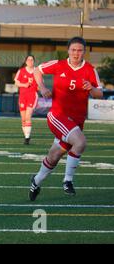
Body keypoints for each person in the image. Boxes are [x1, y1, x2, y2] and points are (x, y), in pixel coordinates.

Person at [29, 37, 103, 201]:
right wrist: (42, 87)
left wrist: (91, 88)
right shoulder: (59, 64)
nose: (76, 53)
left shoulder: (90, 70)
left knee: (54, 156)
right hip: (58, 115)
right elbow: (37, 71)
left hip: (77, 120)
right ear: (68, 50)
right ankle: (68, 181)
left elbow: (99, 93)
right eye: (73, 50)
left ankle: (36, 180)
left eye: (80, 50)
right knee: (81, 142)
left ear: (84, 52)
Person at [14, 55, 38, 145]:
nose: (30, 61)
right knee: (23, 119)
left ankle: (27, 138)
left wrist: (40, 88)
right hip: (22, 96)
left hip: (32, 96)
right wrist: (24, 85)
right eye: (28, 60)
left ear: (34, 61)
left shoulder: (37, 71)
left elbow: (40, 83)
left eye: (32, 60)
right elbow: (16, 82)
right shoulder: (21, 71)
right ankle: (26, 136)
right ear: (26, 61)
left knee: (28, 117)